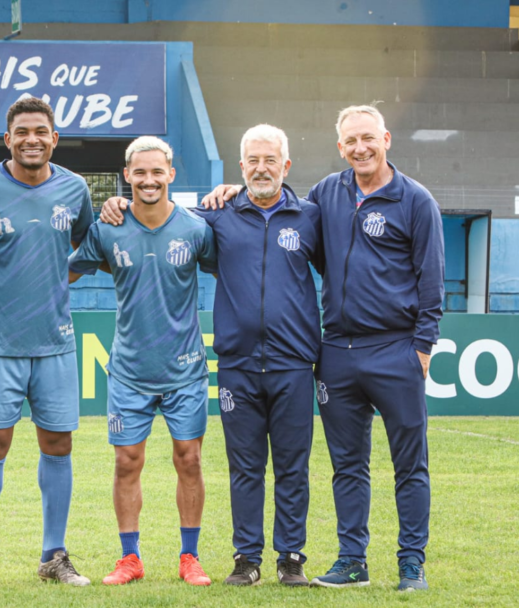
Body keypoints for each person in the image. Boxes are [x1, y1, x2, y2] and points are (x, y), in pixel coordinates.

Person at [200, 106, 445, 591]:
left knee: (408, 464)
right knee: (346, 466)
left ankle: (411, 563)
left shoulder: (414, 201)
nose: (360, 148)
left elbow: (432, 280)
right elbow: (254, 213)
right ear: (339, 147)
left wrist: (422, 346)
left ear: (386, 139)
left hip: (395, 349)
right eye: (351, 140)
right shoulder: (324, 197)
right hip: (336, 353)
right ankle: (352, 561)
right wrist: (225, 191)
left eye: (368, 138)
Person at [0, 97, 94, 587]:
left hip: (55, 342)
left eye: (41, 131)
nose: (31, 138)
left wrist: (55, 274)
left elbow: (86, 244)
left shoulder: (75, 189)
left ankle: (53, 556)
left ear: (54, 138)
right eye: (22, 131)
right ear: (7, 139)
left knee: (58, 442)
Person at [69, 136, 217, 588]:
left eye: (158, 172)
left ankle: (189, 556)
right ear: (127, 174)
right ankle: (129, 558)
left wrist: (227, 194)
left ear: (171, 174)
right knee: (127, 462)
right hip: (130, 371)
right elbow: (64, 272)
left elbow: (234, 267)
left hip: (185, 369)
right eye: (140, 172)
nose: (149, 180)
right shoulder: (106, 227)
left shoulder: (196, 229)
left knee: (189, 459)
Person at [193, 125, 322, 587]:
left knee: (292, 466)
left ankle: (291, 558)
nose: (261, 168)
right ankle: (247, 558)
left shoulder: (311, 217)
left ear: (286, 166)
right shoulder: (217, 215)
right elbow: (162, 219)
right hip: (237, 367)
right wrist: (120, 204)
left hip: (293, 367)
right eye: (253, 161)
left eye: (271, 160)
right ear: (241, 166)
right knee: (244, 466)